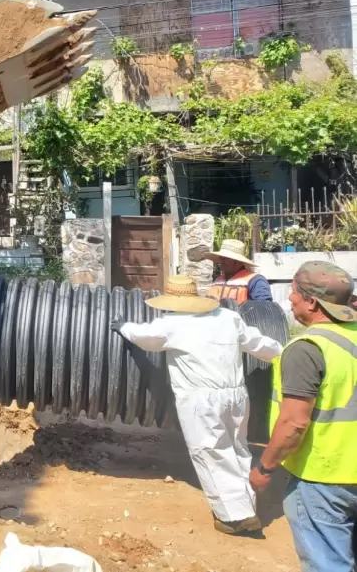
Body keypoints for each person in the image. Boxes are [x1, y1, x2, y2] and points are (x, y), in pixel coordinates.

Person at [111, 275, 282, 535]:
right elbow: (257, 343)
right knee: (237, 449)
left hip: (200, 399)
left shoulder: (171, 324)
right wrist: (284, 350)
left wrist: (123, 327)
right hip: (236, 395)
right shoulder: (228, 317)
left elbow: (144, 337)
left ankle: (234, 518)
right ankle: (248, 506)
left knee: (211, 453)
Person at [250, 261, 357, 572]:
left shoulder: (308, 348)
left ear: (312, 302)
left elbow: (294, 423)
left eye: (294, 291)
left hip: (325, 477)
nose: (290, 298)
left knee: (329, 563)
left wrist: (265, 467)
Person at [204, 239, 272, 304]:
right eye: (221, 257)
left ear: (237, 261)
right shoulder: (218, 281)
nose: (221, 261)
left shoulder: (255, 281)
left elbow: (264, 308)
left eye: (225, 258)